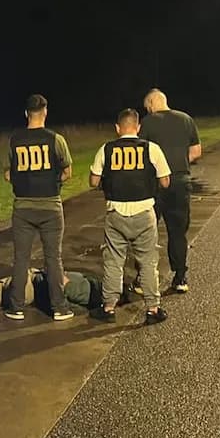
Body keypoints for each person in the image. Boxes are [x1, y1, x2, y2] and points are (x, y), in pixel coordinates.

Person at [89, 108, 171, 324]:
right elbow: (165, 181)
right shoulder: (151, 148)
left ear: (117, 128)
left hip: (116, 213)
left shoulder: (106, 149)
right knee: (147, 262)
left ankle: (108, 307)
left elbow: (93, 181)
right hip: (144, 212)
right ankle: (153, 309)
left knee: (114, 261)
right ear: (138, 128)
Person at [5, 94, 74, 321]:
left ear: (26, 113)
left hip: (23, 207)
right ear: (45, 112)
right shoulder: (56, 139)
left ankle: (16, 307)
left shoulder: (14, 140)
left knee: (21, 259)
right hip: (50, 207)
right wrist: (53, 183)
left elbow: (8, 173)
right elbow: (67, 171)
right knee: (53, 258)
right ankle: (59, 308)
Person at [138, 89, 201, 293]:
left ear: (151, 103)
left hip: (154, 185)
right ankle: (180, 277)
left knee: (148, 232)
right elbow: (196, 151)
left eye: (147, 107)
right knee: (177, 232)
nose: (147, 110)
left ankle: (143, 278)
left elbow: (141, 153)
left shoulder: (148, 123)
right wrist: (179, 162)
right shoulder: (186, 119)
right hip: (180, 182)